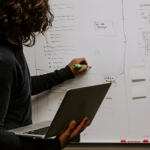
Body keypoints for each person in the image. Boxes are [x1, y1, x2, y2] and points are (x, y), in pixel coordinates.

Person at [0, 0, 90, 150]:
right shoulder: (4, 59)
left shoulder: (12, 45)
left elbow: (22, 86)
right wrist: (55, 144)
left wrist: (66, 72)